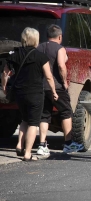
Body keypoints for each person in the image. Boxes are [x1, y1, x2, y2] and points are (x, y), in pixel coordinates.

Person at [1, 27, 58, 161]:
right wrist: (54, 92)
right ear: (36, 39)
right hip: (35, 94)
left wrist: (4, 87)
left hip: (20, 93)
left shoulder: (14, 55)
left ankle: (20, 145)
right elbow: (49, 77)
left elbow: (5, 73)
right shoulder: (40, 56)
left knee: (25, 119)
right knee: (33, 123)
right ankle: (27, 153)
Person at [37, 24, 83, 155]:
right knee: (66, 112)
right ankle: (68, 144)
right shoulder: (60, 48)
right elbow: (61, 66)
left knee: (44, 115)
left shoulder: (39, 47)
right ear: (60, 37)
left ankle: (42, 145)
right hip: (56, 87)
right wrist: (64, 82)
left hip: (41, 87)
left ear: (47, 36)